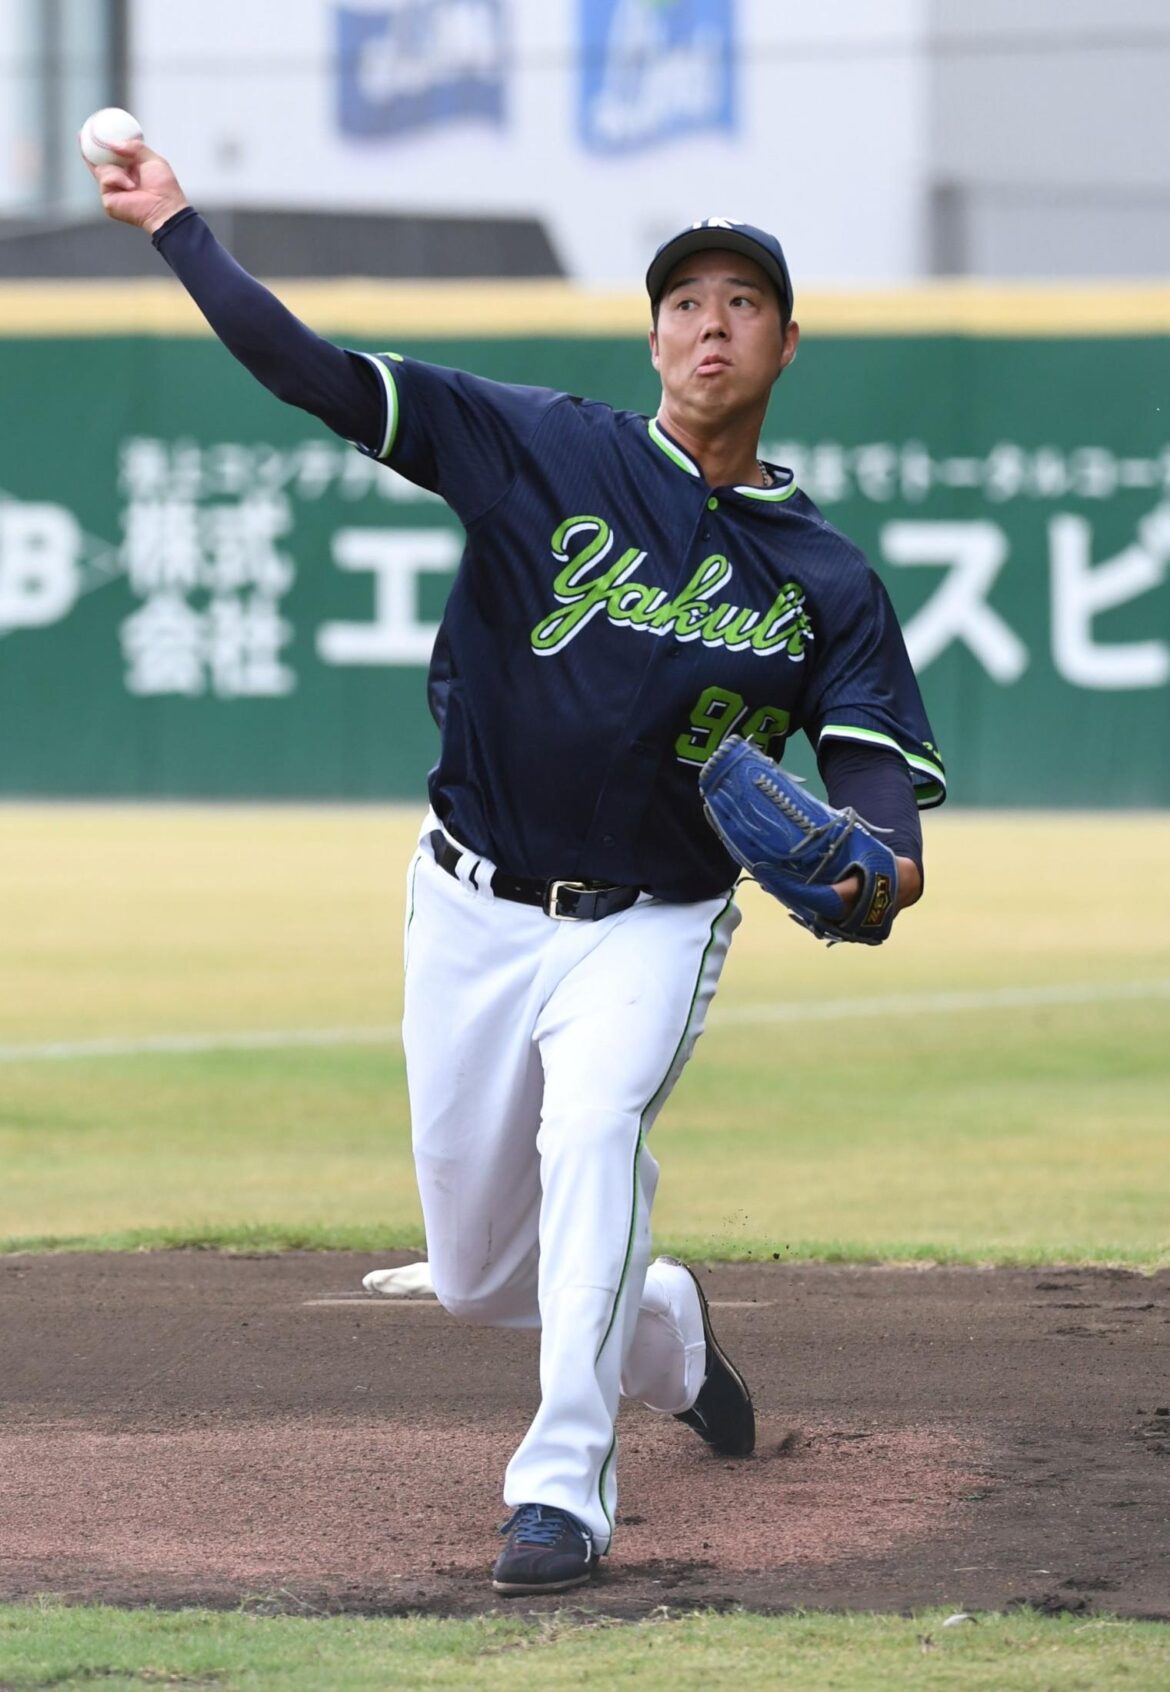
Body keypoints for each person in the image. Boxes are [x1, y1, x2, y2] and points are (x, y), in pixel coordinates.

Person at [87, 138, 945, 1595]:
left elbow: (883, 824)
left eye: (742, 303)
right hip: (471, 900)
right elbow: (312, 374)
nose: (709, 324)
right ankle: (664, 1326)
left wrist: (874, 876)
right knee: (484, 1272)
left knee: (595, 1130)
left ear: (785, 344)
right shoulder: (539, 444)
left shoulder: (827, 581)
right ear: (653, 331)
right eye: (685, 301)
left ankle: (561, 1494)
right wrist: (176, 226)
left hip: (655, 922)